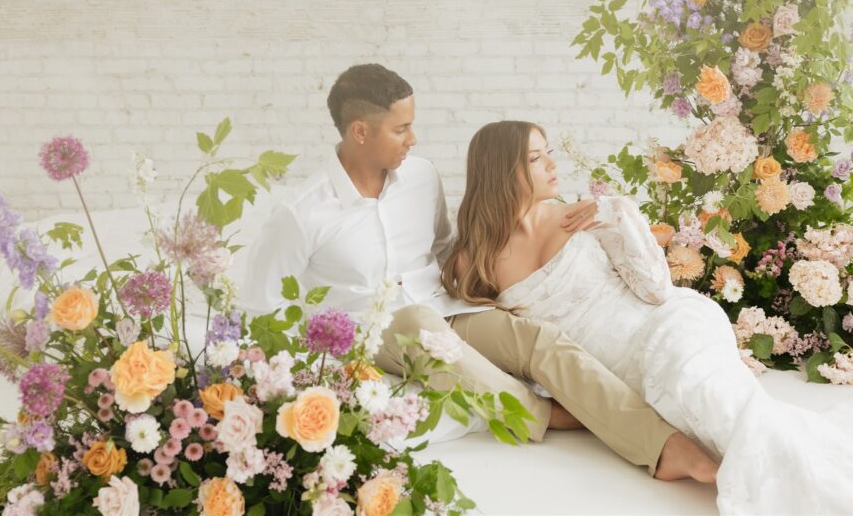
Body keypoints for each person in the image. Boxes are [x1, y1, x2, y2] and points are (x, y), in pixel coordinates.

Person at [442, 120, 853, 514]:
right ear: (502, 168)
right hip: (618, 366)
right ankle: (813, 475)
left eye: (550, 152)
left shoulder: (581, 213)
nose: (553, 165)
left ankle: (839, 494)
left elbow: (655, 289)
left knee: (710, 398)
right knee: (716, 413)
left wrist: (618, 217)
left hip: (666, 325)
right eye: (537, 158)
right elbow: (506, 339)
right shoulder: (474, 260)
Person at [242, 63, 717, 482]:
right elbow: (263, 309)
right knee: (417, 324)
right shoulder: (300, 213)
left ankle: (663, 447)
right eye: (401, 129)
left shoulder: (422, 177)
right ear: (360, 131)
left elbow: (447, 249)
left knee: (536, 341)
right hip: (376, 330)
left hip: (443, 309)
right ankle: (539, 414)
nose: (414, 139)